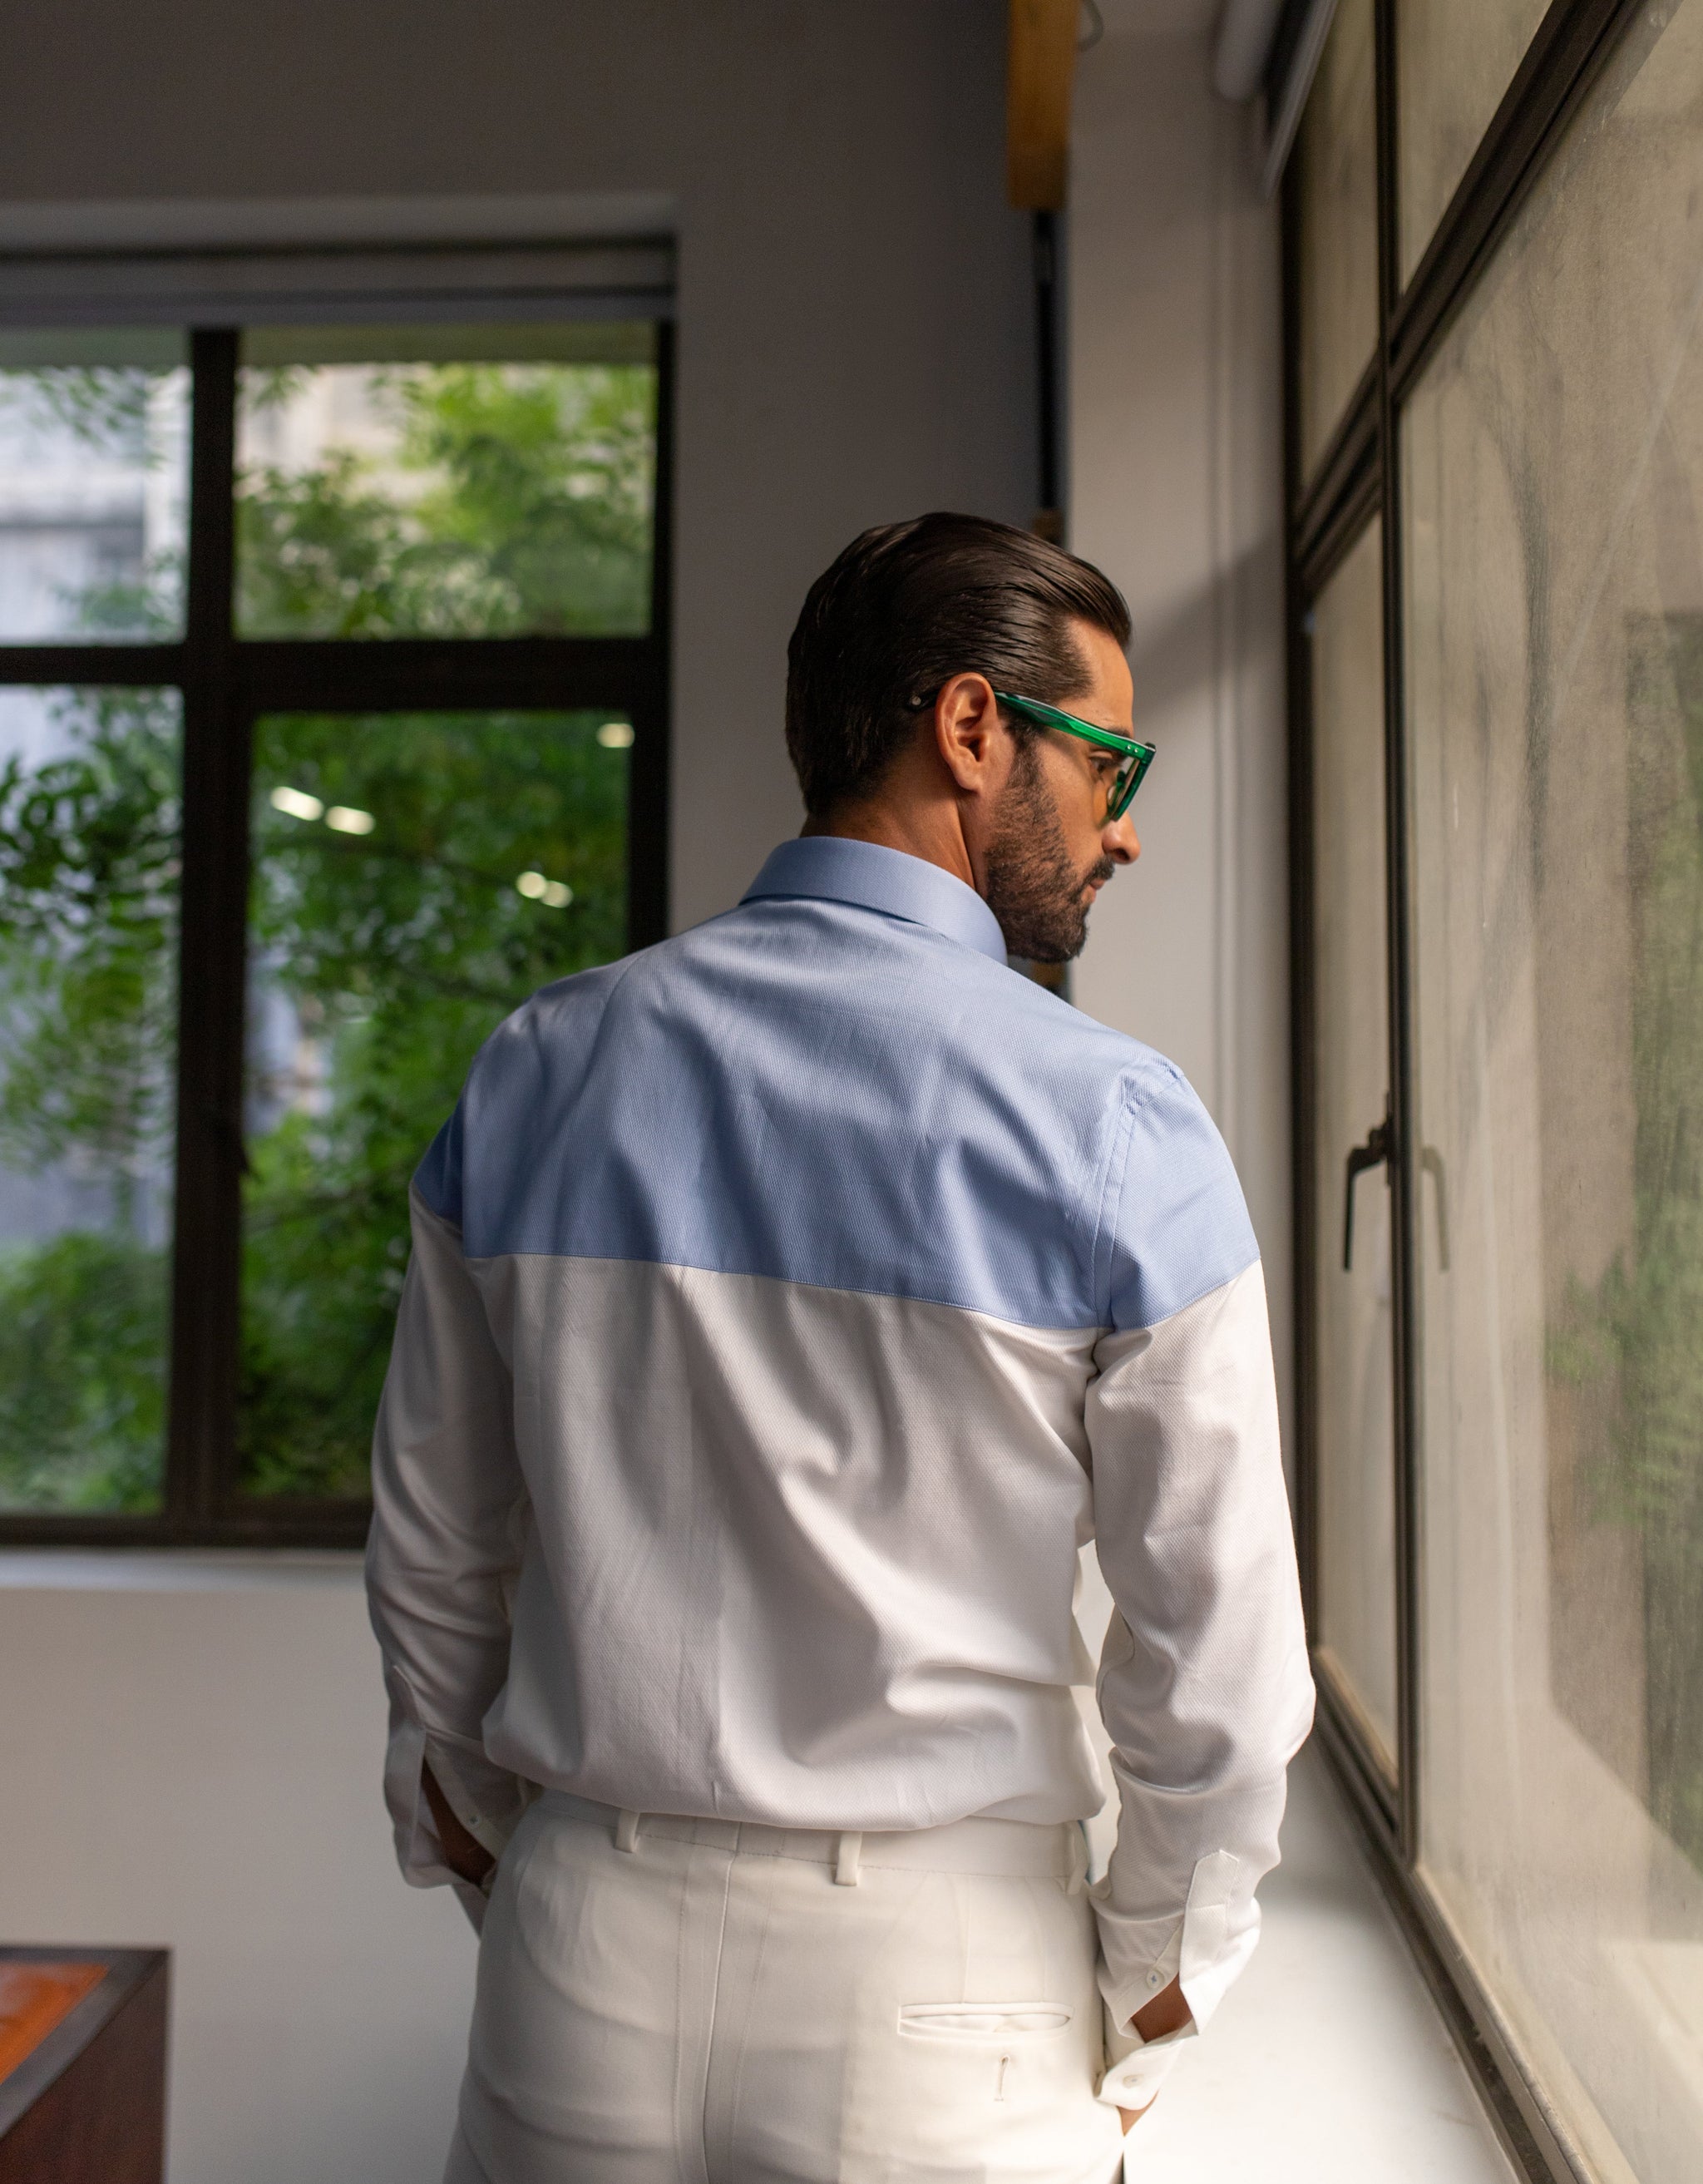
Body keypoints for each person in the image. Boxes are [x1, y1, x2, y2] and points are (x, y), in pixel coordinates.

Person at [366, 511, 1314, 2184]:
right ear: (969, 728)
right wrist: (1151, 1981)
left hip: (576, 1951)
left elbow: (438, 1551)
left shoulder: (540, 1068)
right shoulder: (1112, 1123)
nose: (1125, 828)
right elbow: (1219, 1669)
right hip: (942, 1983)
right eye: (1112, 760)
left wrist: (517, 1862)